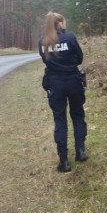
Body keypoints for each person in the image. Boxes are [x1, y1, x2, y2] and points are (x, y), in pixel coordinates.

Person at [39, 12, 87, 173]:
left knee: (60, 121)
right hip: (73, 81)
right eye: (63, 22)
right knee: (78, 115)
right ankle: (80, 151)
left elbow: (46, 61)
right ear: (60, 23)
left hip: (55, 83)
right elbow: (80, 58)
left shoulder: (43, 42)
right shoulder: (70, 38)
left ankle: (64, 161)